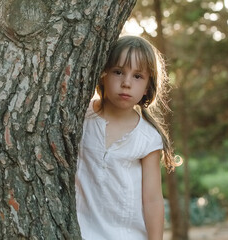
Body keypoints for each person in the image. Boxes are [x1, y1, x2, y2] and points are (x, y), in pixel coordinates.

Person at [75, 35, 181, 240]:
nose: (126, 83)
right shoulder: (81, 117)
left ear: (148, 86)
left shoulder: (148, 137)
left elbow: (152, 200)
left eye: (137, 76)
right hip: (79, 231)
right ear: (103, 75)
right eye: (118, 72)